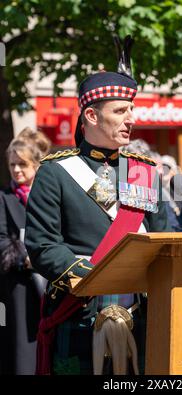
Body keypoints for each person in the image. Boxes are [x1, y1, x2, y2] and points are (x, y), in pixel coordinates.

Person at [25, 36, 170, 375]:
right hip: (79, 311)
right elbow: (43, 245)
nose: (130, 119)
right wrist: (99, 277)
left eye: (132, 110)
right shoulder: (54, 171)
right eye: (120, 111)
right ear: (90, 115)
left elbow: (164, 237)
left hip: (138, 310)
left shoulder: (144, 170)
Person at [0, 128, 50, 375]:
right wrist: (25, 259)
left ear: (37, 165)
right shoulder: (4, 198)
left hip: (50, 283)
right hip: (18, 287)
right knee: (22, 351)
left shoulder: (48, 196)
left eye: (23, 164)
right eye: (12, 164)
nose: (16, 170)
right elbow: (0, 241)